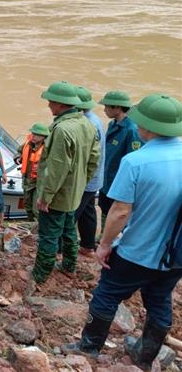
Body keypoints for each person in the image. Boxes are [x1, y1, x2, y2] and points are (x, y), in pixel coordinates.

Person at [63, 94, 182, 369]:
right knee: (160, 299)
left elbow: (120, 212)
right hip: (176, 255)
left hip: (138, 251)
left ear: (150, 127)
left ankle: (89, 347)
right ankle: (144, 357)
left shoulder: (136, 161)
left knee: (107, 294)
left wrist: (104, 245)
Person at [30, 81, 100, 287]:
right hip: (74, 192)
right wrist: (82, 182)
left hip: (58, 194)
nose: (49, 105)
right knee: (69, 230)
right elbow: (94, 158)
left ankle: (41, 273)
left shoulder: (62, 129)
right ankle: (69, 266)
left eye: (51, 102)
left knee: (49, 234)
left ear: (60, 104)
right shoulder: (86, 124)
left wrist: (46, 196)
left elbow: (57, 168)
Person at [98, 90, 142, 233]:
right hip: (107, 177)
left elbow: (134, 160)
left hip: (118, 179)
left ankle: (114, 238)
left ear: (117, 108)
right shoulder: (113, 124)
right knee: (104, 206)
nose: (104, 110)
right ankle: (104, 234)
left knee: (117, 211)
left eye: (107, 107)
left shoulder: (131, 130)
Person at [74, 86, 105, 256]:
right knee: (87, 212)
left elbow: (88, 156)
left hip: (86, 179)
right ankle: (87, 245)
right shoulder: (94, 119)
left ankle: (62, 250)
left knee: (71, 213)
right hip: (94, 178)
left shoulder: (88, 124)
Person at [14, 123, 49, 221]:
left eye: (37, 134)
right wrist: (18, 157)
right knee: (27, 206)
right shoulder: (28, 143)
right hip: (27, 180)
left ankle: (40, 229)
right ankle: (31, 224)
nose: (33, 136)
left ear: (43, 137)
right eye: (33, 133)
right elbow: (19, 151)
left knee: (36, 209)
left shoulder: (48, 148)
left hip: (39, 182)